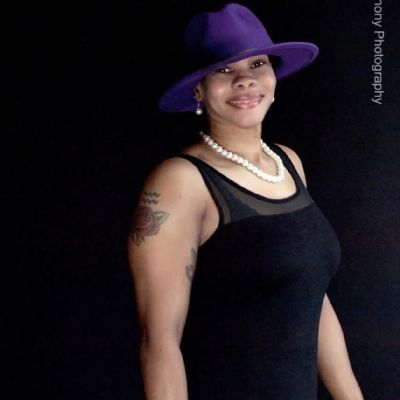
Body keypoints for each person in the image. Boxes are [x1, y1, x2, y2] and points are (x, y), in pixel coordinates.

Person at [127, 3, 364, 399]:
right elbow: (160, 341)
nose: (245, 81)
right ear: (198, 88)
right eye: (224, 70)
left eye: (257, 64)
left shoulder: (288, 163)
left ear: (273, 75)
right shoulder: (180, 181)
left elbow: (309, 297)